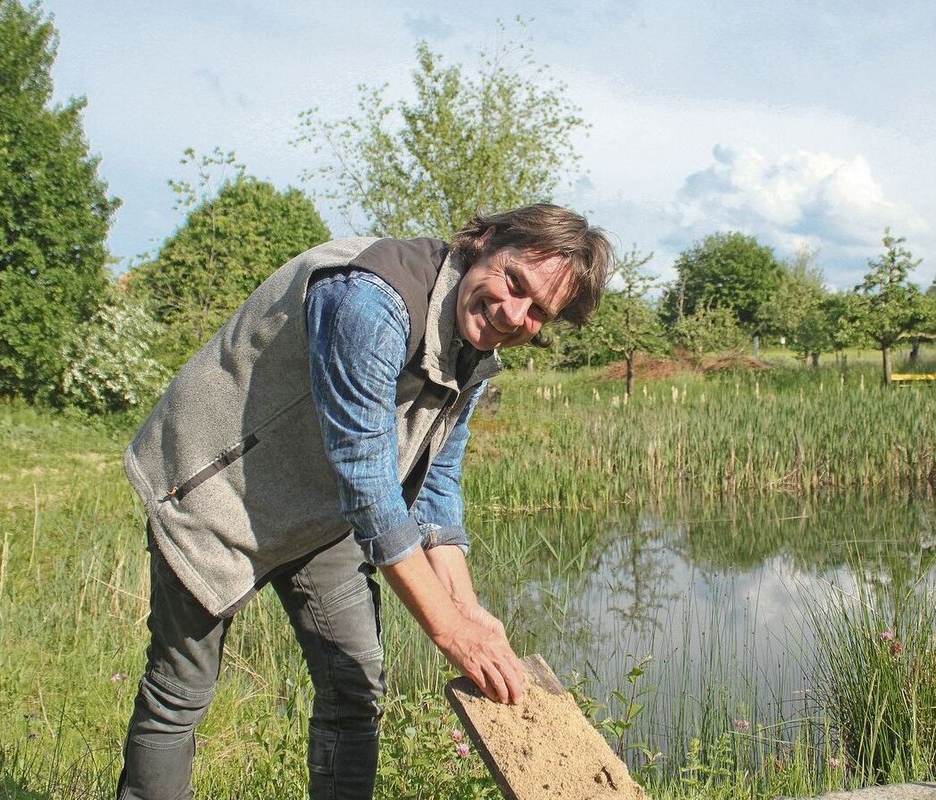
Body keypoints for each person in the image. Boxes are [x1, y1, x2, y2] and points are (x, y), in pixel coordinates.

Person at [117, 204, 613, 799]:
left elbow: (435, 479)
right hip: (214, 490)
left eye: (538, 312)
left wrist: (469, 608)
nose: (514, 314)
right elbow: (370, 486)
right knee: (180, 695)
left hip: (318, 508)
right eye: (514, 283)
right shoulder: (369, 299)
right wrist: (450, 632)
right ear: (483, 241)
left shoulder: (474, 352)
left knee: (354, 688)